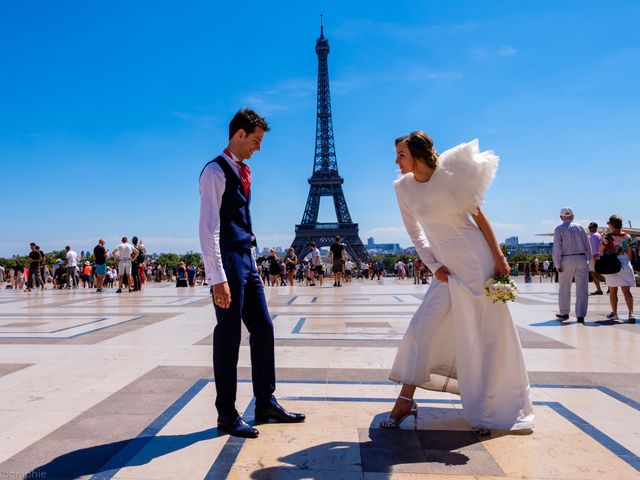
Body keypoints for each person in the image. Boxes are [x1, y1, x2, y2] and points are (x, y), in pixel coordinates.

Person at [382, 132, 533, 435]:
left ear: (418, 155)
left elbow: (480, 219)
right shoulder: (403, 189)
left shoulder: (451, 177)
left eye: (401, 154)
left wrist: (499, 257)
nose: (396, 160)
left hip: (476, 263)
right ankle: (405, 400)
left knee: (484, 334)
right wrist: (433, 265)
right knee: (420, 329)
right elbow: (415, 234)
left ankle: (489, 407)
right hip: (446, 269)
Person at [199, 108, 304, 439]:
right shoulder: (214, 172)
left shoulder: (245, 171)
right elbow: (208, 227)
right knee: (228, 336)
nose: (259, 147)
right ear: (239, 134)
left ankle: (265, 401)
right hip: (228, 260)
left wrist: (253, 261)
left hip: (246, 258)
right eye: (256, 140)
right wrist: (217, 277)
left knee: (263, 327)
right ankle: (226, 414)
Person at [552, 208, 591, 323]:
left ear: (561, 217)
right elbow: (587, 245)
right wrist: (587, 259)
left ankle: (564, 312)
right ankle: (580, 314)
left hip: (566, 258)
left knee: (564, 287)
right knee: (582, 288)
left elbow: (557, 248)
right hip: (582, 258)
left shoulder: (559, 229)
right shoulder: (581, 227)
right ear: (572, 216)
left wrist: (557, 263)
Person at [601, 214, 635, 323]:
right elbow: (630, 252)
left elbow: (601, 250)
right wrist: (628, 263)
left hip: (612, 263)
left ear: (611, 224)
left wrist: (602, 238)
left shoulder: (608, 236)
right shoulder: (628, 236)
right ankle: (631, 314)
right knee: (626, 291)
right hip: (624, 262)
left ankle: (615, 313)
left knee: (613, 291)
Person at [588, 222, 605, 295]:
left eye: (591, 227)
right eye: (589, 227)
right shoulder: (596, 235)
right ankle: (603, 287)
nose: (590, 229)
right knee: (595, 273)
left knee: (594, 273)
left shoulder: (594, 235)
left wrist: (594, 256)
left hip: (594, 257)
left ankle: (600, 288)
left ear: (595, 228)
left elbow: (594, 247)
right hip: (596, 256)